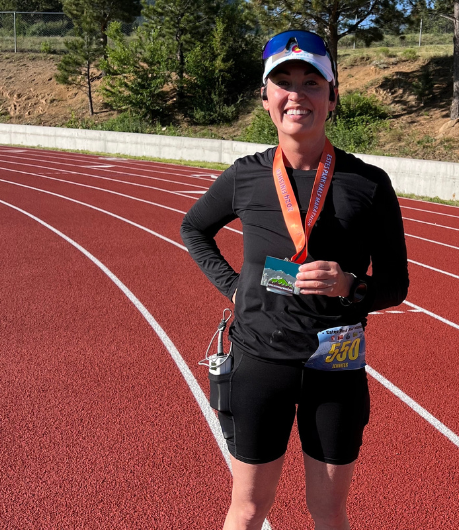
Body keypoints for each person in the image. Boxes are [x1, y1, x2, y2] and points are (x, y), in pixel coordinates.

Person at [180, 30, 409, 530]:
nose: (296, 95)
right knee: (248, 509)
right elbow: (194, 228)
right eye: (283, 82)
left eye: (311, 82)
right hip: (259, 360)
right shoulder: (245, 175)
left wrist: (351, 286)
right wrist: (233, 286)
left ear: (332, 96)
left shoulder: (369, 184)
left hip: (336, 363)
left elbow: (396, 284)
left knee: (328, 510)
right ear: (266, 98)